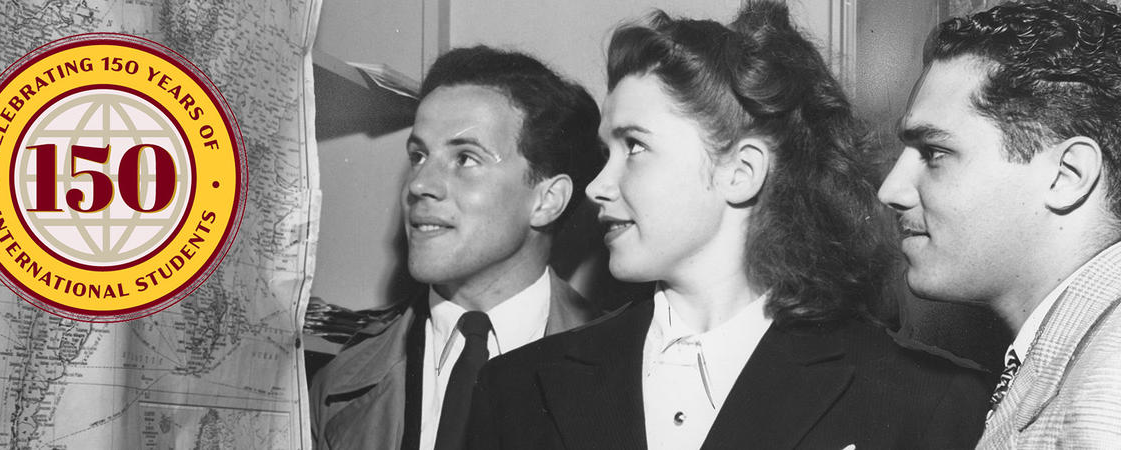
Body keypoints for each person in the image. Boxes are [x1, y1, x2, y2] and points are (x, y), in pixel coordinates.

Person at [468, 2, 992, 449]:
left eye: (635, 147)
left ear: (741, 173)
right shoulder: (518, 388)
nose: (596, 186)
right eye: (607, 152)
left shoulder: (927, 402)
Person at [309, 46, 604, 450]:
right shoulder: (335, 387)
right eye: (418, 155)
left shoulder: (627, 371)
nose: (418, 184)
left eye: (465, 158)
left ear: (546, 200)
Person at [878, 0, 1121, 446]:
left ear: (1067, 176)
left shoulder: (1105, 395)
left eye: (934, 153)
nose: (891, 190)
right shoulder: (1077, 358)